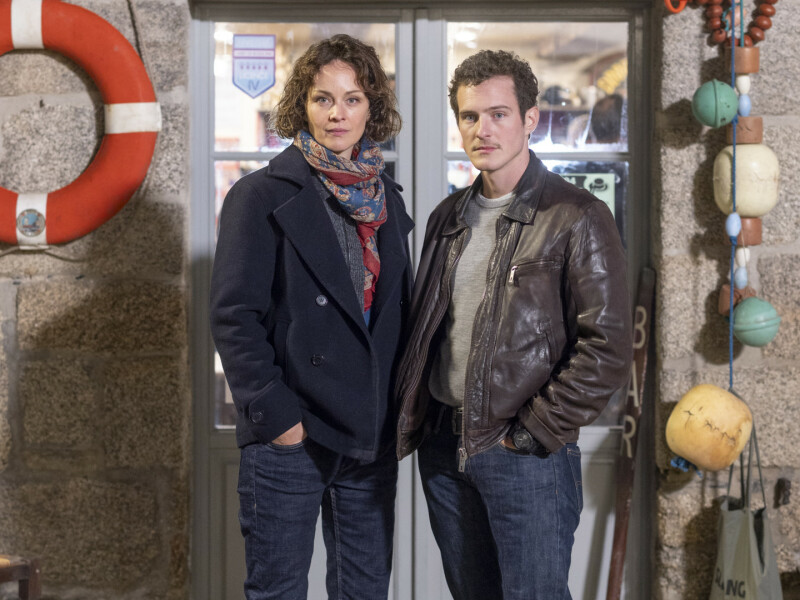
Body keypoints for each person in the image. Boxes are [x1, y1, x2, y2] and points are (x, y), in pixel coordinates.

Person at [395, 50, 632, 600]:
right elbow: (428, 331)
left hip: (525, 454)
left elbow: (607, 348)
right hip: (445, 448)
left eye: (498, 114)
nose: (482, 129)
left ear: (529, 119)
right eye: (470, 116)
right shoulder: (447, 217)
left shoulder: (576, 215)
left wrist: (531, 431)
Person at [210, 34, 413, 600]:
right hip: (291, 433)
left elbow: (391, 315)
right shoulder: (258, 195)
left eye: (352, 99)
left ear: (372, 108)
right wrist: (278, 419)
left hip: (368, 435)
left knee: (364, 592)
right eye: (323, 99)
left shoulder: (387, 198)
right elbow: (234, 316)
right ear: (303, 106)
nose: (337, 114)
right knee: (277, 592)